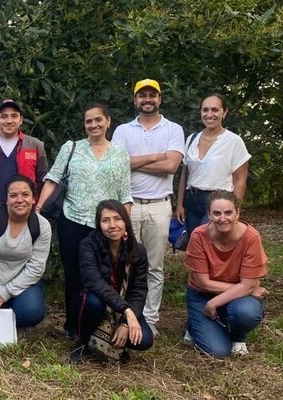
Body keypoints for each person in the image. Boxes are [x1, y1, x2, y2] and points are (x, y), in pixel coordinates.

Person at [36, 103, 133, 339]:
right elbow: (53, 178)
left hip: (106, 226)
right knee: (74, 275)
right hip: (73, 221)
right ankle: (73, 326)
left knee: (104, 276)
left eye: (98, 120)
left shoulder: (120, 153)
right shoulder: (72, 148)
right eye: (89, 121)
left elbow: (125, 194)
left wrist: (125, 228)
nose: (93, 125)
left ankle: (99, 325)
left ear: (108, 121)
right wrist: (38, 209)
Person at [112, 79, 185, 337]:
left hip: (159, 207)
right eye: (142, 95)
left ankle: (150, 321)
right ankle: (124, 315)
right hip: (128, 206)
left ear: (160, 99)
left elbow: (171, 167)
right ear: (135, 100)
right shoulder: (122, 130)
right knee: (124, 263)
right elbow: (119, 164)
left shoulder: (173, 129)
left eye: (152, 95)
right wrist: (157, 156)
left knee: (154, 266)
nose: (147, 99)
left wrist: (134, 162)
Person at [184, 190, 267, 357]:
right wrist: (248, 288)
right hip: (202, 294)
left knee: (246, 313)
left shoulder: (251, 237)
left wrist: (213, 303)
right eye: (216, 213)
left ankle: (238, 336)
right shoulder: (199, 235)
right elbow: (203, 283)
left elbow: (249, 283)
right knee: (218, 351)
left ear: (237, 213)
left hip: (238, 298)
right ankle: (194, 324)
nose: (223, 218)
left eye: (228, 212)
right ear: (209, 215)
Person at [70, 200, 153, 363]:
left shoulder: (137, 250)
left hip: (122, 306)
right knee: (93, 303)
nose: (112, 225)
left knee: (145, 340)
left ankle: (114, 343)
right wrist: (127, 311)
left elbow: (139, 290)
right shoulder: (88, 245)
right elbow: (93, 281)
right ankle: (82, 343)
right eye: (105, 220)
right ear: (99, 224)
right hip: (93, 303)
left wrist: (125, 323)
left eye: (117, 218)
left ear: (125, 221)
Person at [0, 176, 51, 329]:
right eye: (13, 195)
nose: (20, 200)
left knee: (31, 312)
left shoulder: (42, 226)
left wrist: (4, 294)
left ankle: (11, 309)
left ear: (33, 199)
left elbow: (36, 268)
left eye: (25, 194)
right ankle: (1, 310)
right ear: (6, 199)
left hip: (22, 282)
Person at [175, 93, 250, 239]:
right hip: (192, 201)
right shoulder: (192, 139)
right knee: (195, 244)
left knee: (210, 241)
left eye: (215, 110)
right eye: (205, 110)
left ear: (224, 112)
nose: (209, 114)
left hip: (218, 201)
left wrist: (234, 211)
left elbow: (240, 181)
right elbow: (185, 174)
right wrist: (179, 204)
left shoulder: (233, 141)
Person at [0, 99, 49, 217]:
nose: (9, 121)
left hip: (24, 214)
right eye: (4, 116)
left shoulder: (35, 145)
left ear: (21, 120)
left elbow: (42, 180)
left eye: (14, 116)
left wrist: (35, 208)